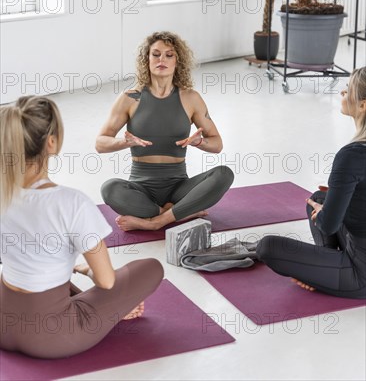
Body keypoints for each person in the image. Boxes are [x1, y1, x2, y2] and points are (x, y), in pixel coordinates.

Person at [0, 96, 164, 359]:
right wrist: (87, 271)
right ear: (51, 143)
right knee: (150, 268)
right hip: (50, 338)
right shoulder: (72, 202)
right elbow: (106, 281)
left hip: (4, 325)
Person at [97, 31, 234, 231]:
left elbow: (217, 144)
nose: (162, 59)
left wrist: (199, 142)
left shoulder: (191, 98)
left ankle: (155, 221)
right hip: (141, 189)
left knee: (224, 174)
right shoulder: (130, 97)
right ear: (147, 59)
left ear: (178, 61)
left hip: (179, 187)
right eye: (156, 54)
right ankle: (180, 212)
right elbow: (100, 143)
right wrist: (125, 142)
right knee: (109, 189)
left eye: (169, 55)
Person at [256, 67, 366, 298]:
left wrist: (326, 211)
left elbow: (327, 225)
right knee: (316, 199)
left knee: (267, 247)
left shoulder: (352, 155)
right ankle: (323, 268)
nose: (342, 92)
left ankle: (322, 271)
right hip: (357, 243)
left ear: (363, 105)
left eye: (348, 90)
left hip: (361, 274)